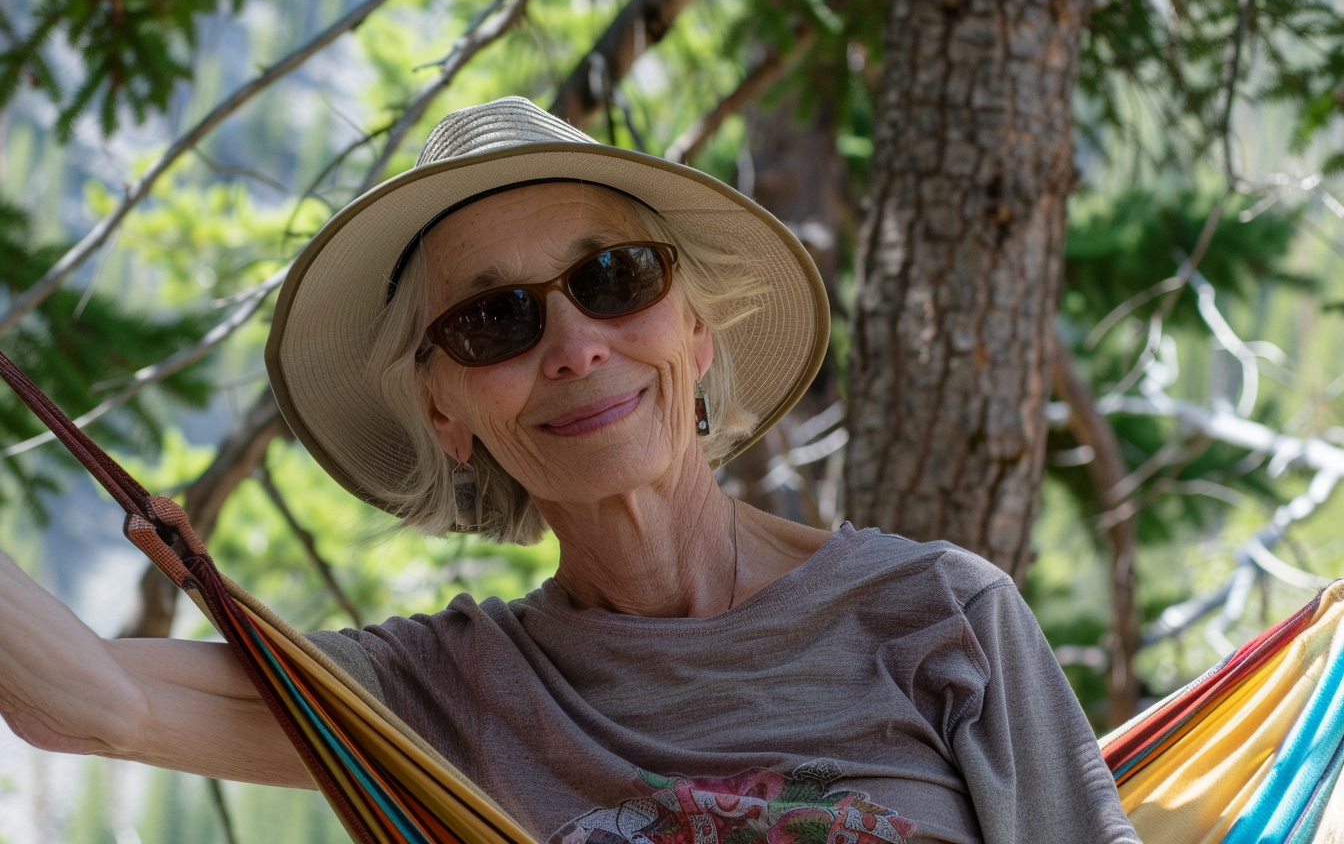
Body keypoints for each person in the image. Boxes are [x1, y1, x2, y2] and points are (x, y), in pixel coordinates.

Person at [1, 97, 1140, 844]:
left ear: (696, 331)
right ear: (446, 410)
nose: (575, 344)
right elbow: (92, 700)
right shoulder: (438, 692)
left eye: (615, 274)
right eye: (495, 318)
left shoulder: (940, 612)